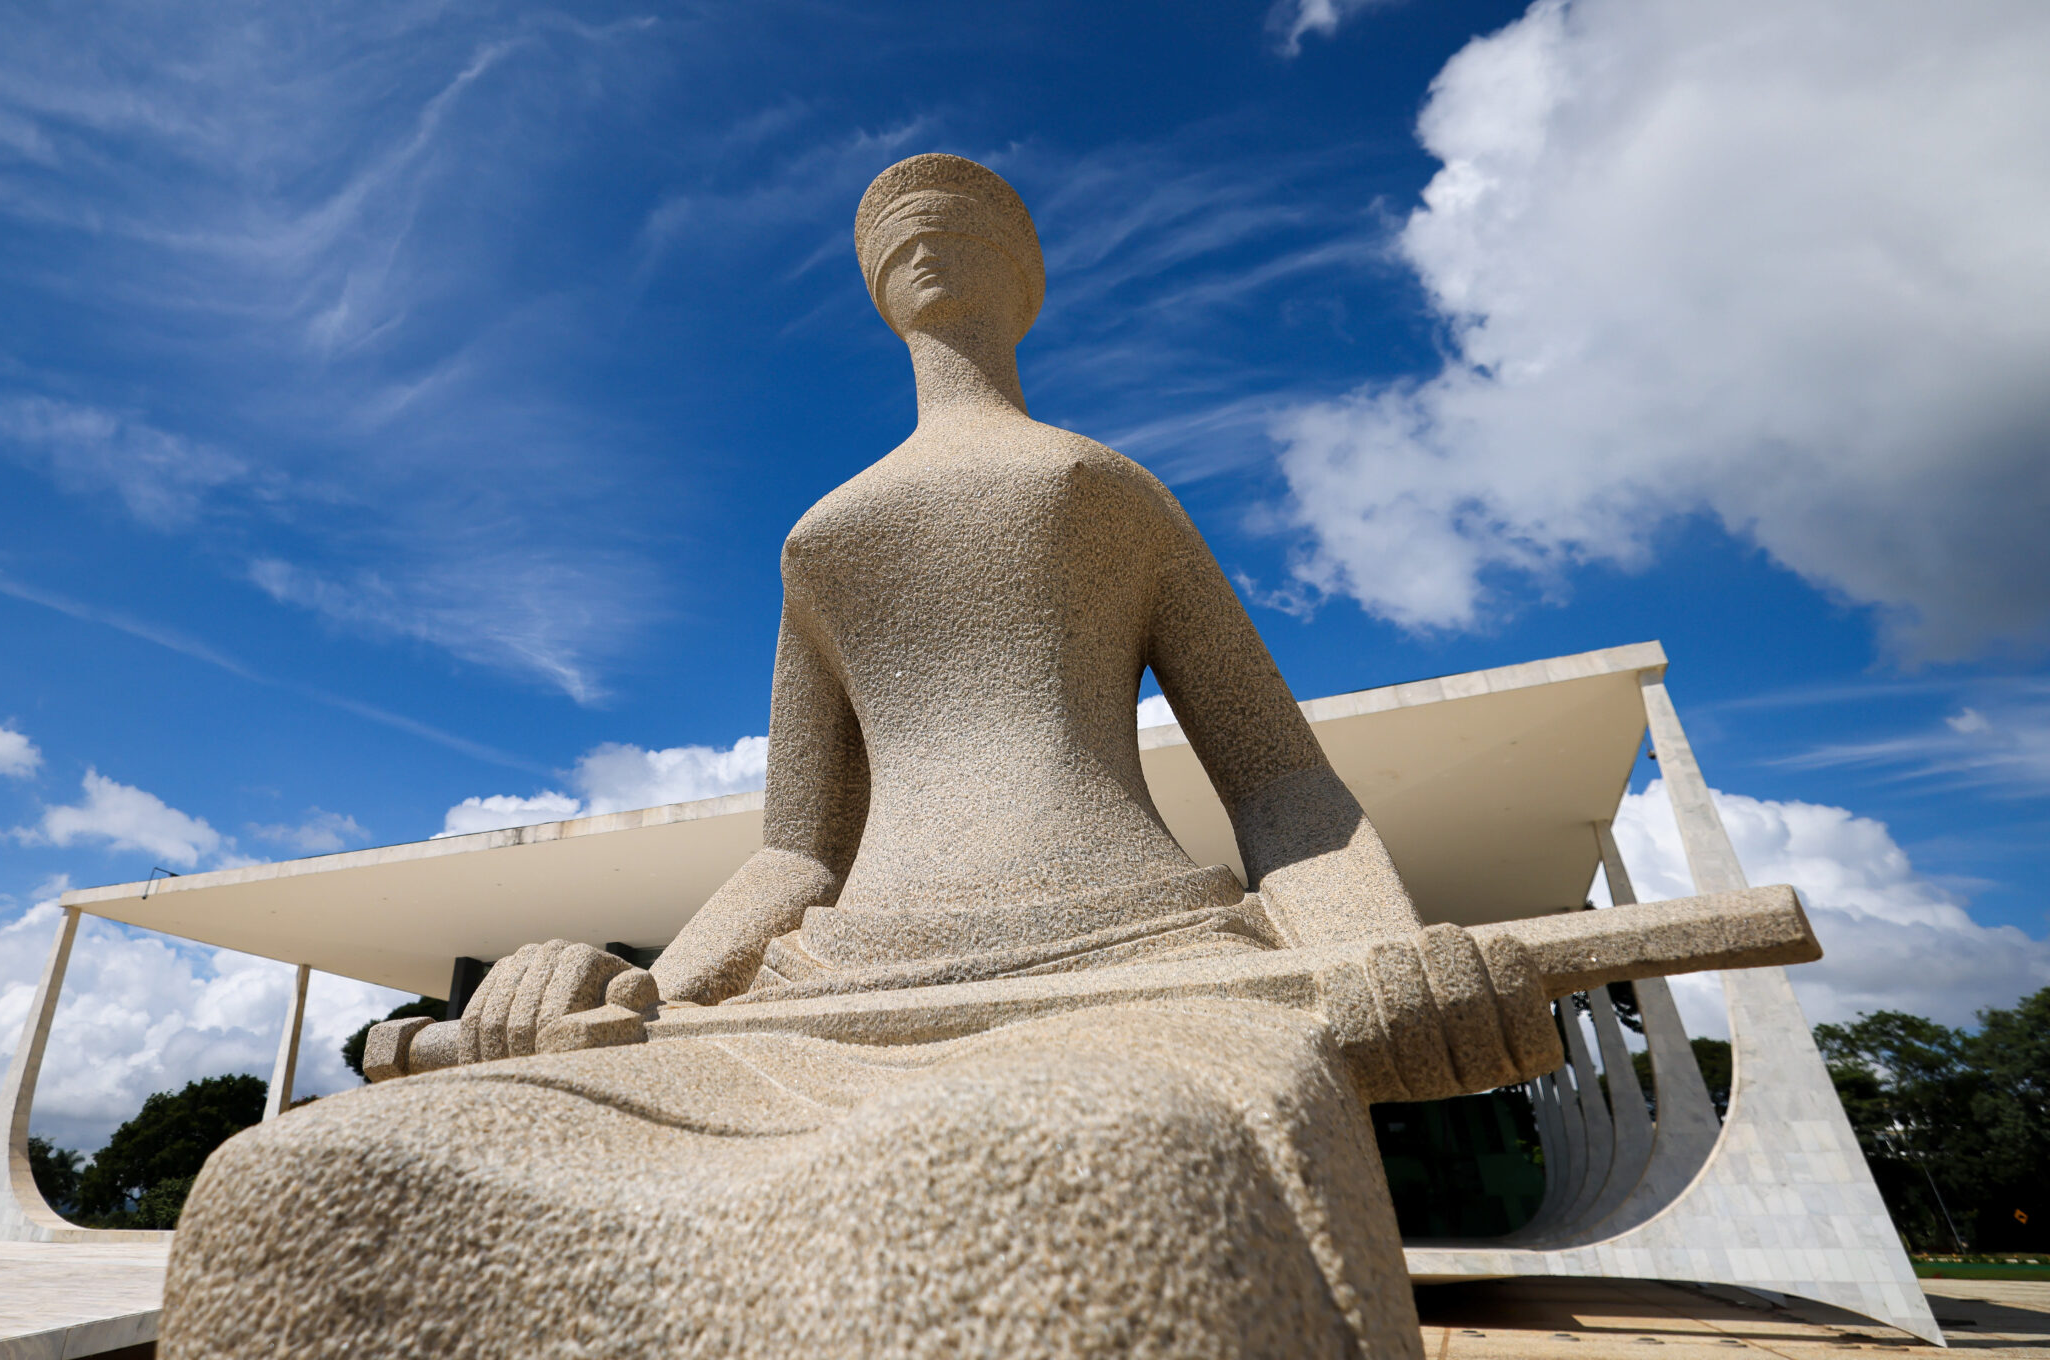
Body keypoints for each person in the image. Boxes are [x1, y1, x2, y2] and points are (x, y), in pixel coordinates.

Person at [162, 154, 1514, 1360]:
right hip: (819, 999)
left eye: (965, 216)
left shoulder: (1104, 488)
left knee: (1083, 1178)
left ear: (1026, 276)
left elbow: (1280, 781)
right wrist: (641, 991)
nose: (925, 232)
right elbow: (795, 850)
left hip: (1138, 971)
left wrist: (1377, 952)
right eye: (896, 228)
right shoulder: (822, 539)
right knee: (307, 1185)